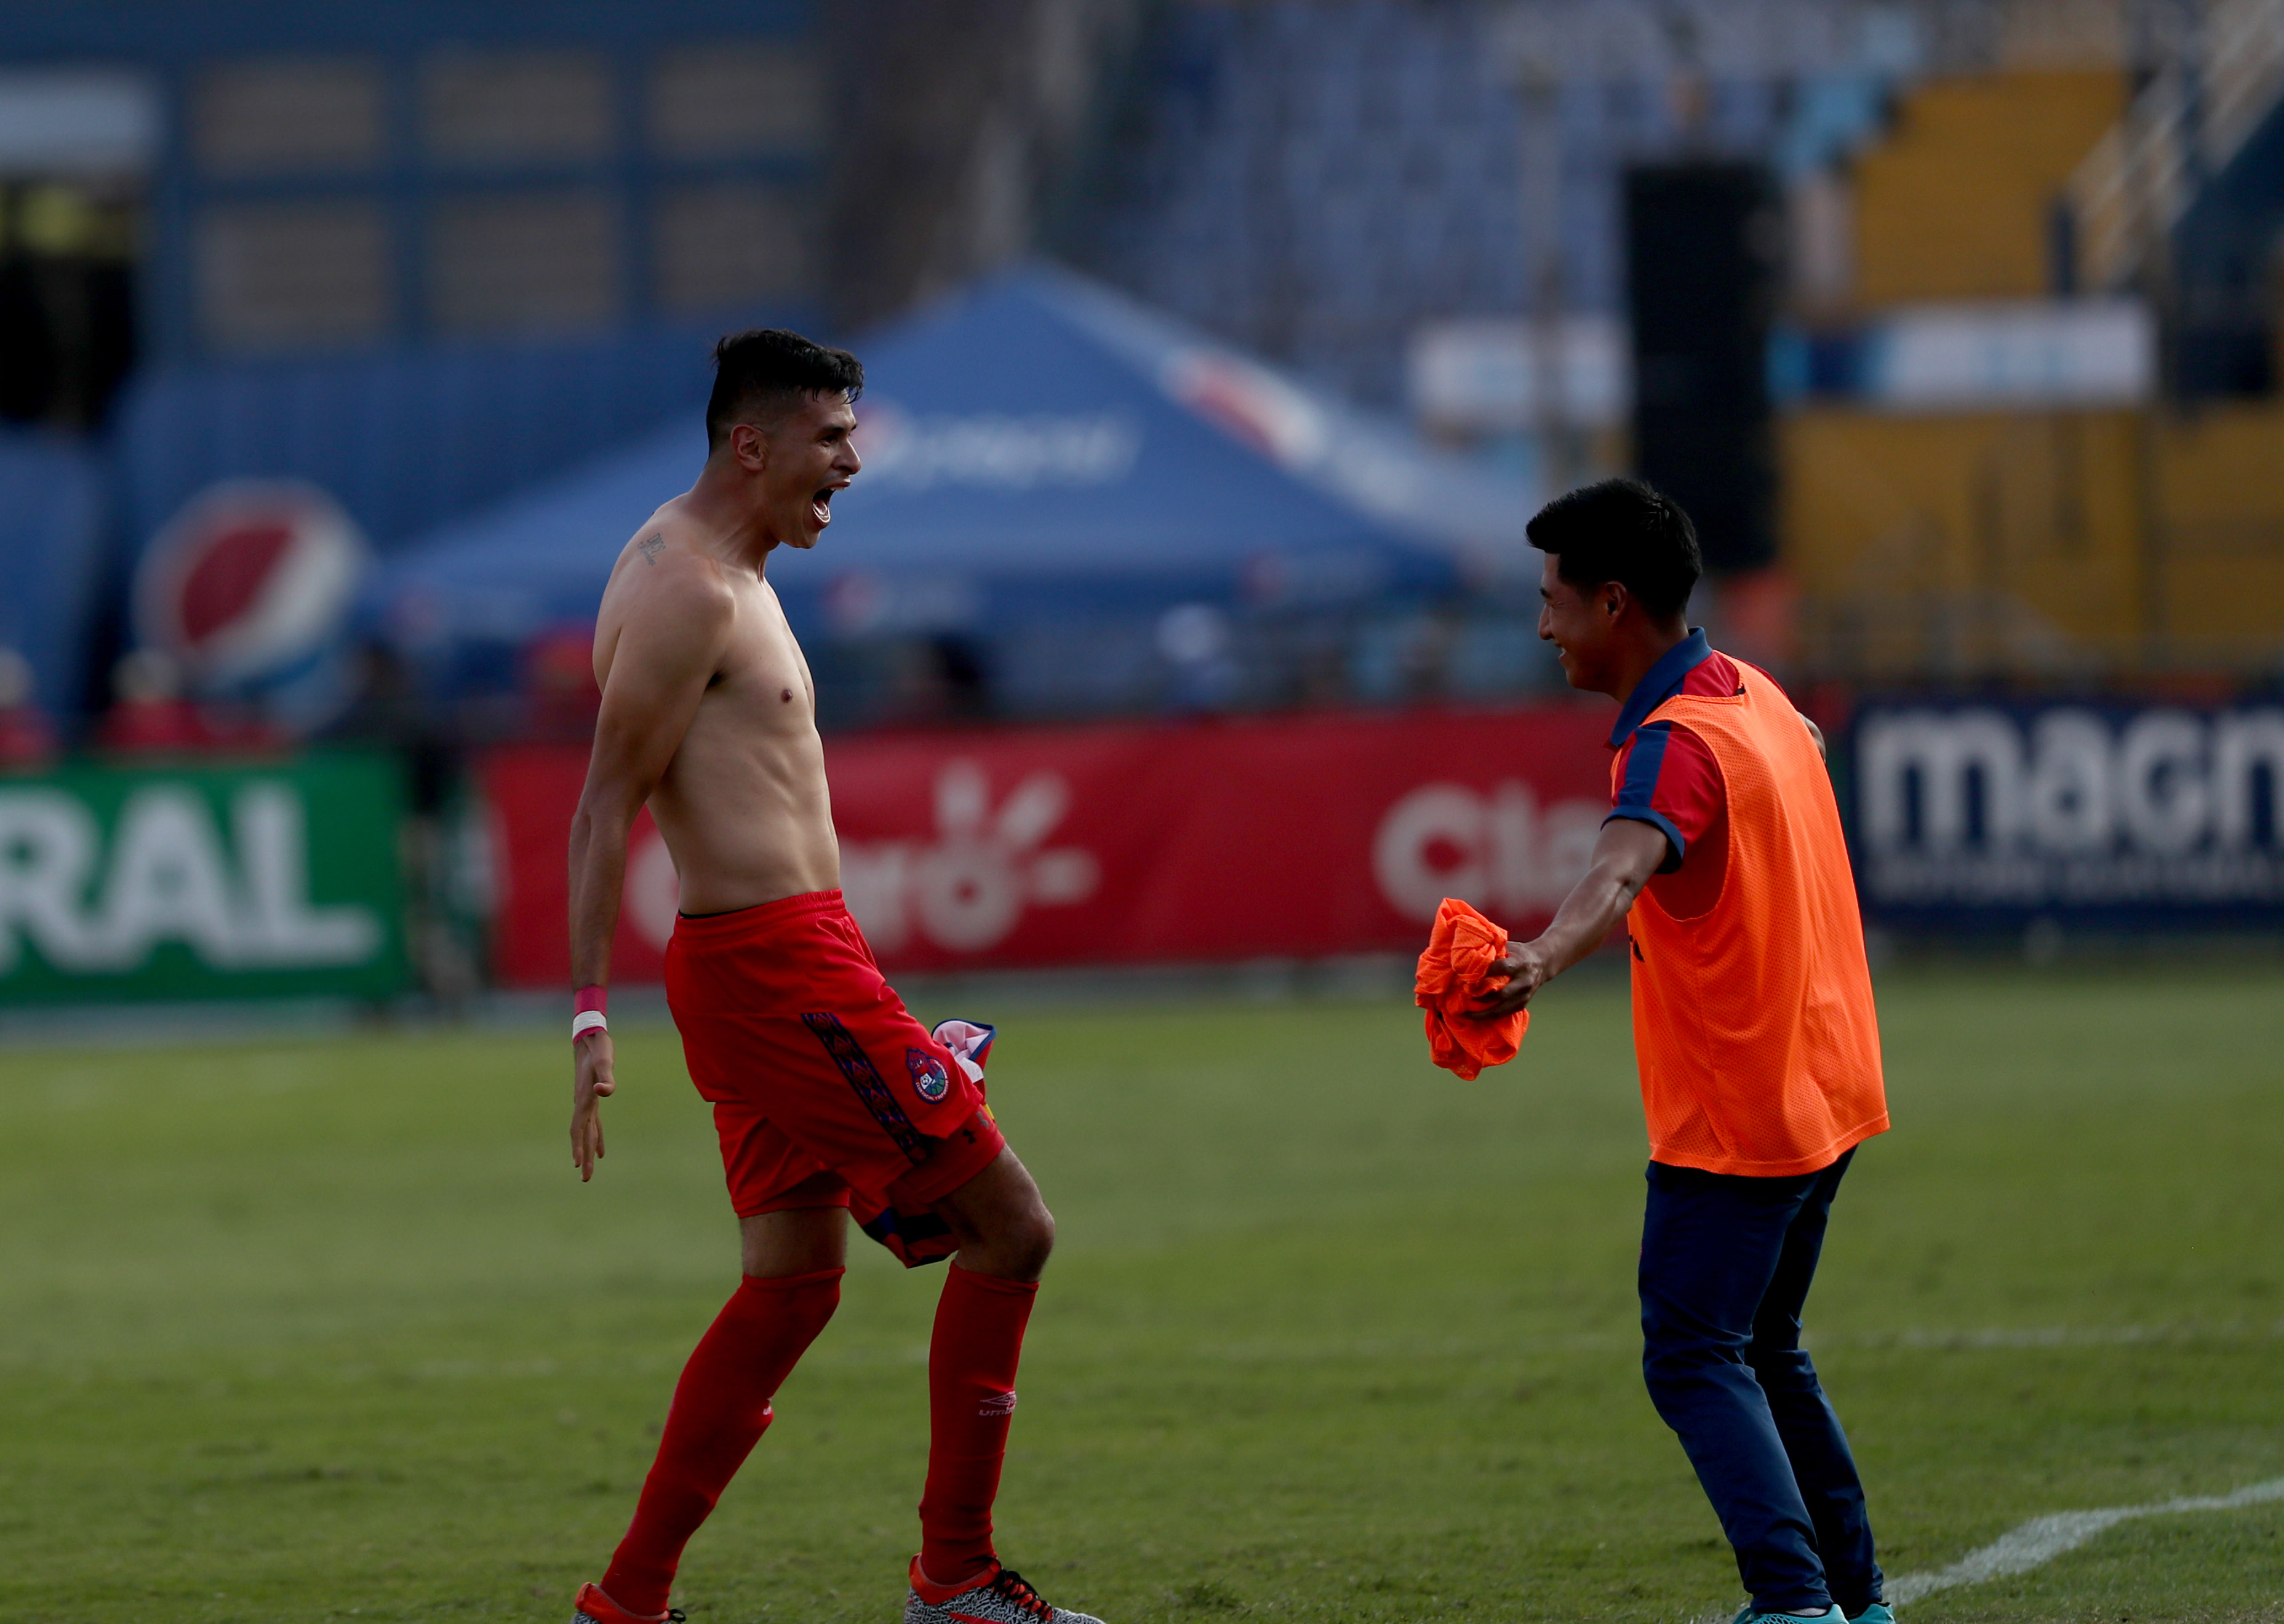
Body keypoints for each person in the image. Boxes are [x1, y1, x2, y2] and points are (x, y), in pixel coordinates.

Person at [564, 329, 1101, 1624]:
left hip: (785, 962)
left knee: (792, 1284)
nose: (851, 464)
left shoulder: (709, 561)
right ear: (750, 444)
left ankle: (626, 1602)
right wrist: (587, 1014)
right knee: (1012, 1230)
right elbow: (601, 808)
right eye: (832, 439)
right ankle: (955, 1579)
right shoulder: (690, 588)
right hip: (777, 971)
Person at [1471, 479, 1894, 1624]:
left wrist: (1542, 956)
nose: (1544, 626)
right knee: (1765, 1345)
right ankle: (1855, 1601)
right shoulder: (1753, 691)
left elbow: (1620, 866)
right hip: (1830, 1086)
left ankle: (1795, 1601)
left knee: (1693, 1355)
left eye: (1554, 601)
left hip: (1742, 1115)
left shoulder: (1673, 746)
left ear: (1614, 604)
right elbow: (1797, 749)